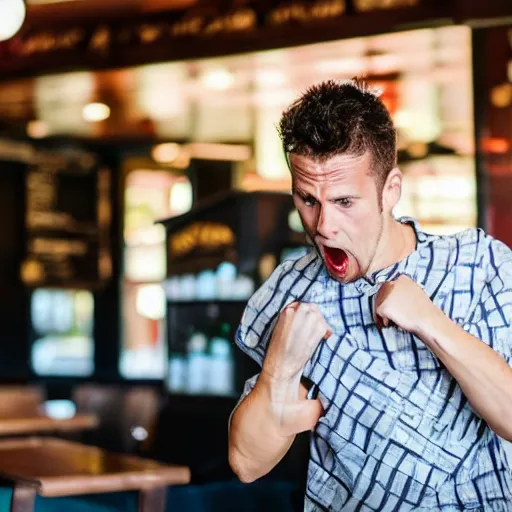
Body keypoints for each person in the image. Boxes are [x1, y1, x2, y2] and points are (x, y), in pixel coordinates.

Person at [228, 78, 512, 511]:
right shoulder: (292, 291)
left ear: (390, 190)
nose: (323, 225)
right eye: (307, 199)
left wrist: (431, 323)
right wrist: (278, 372)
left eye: (344, 201)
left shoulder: (476, 265)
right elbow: (247, 463)